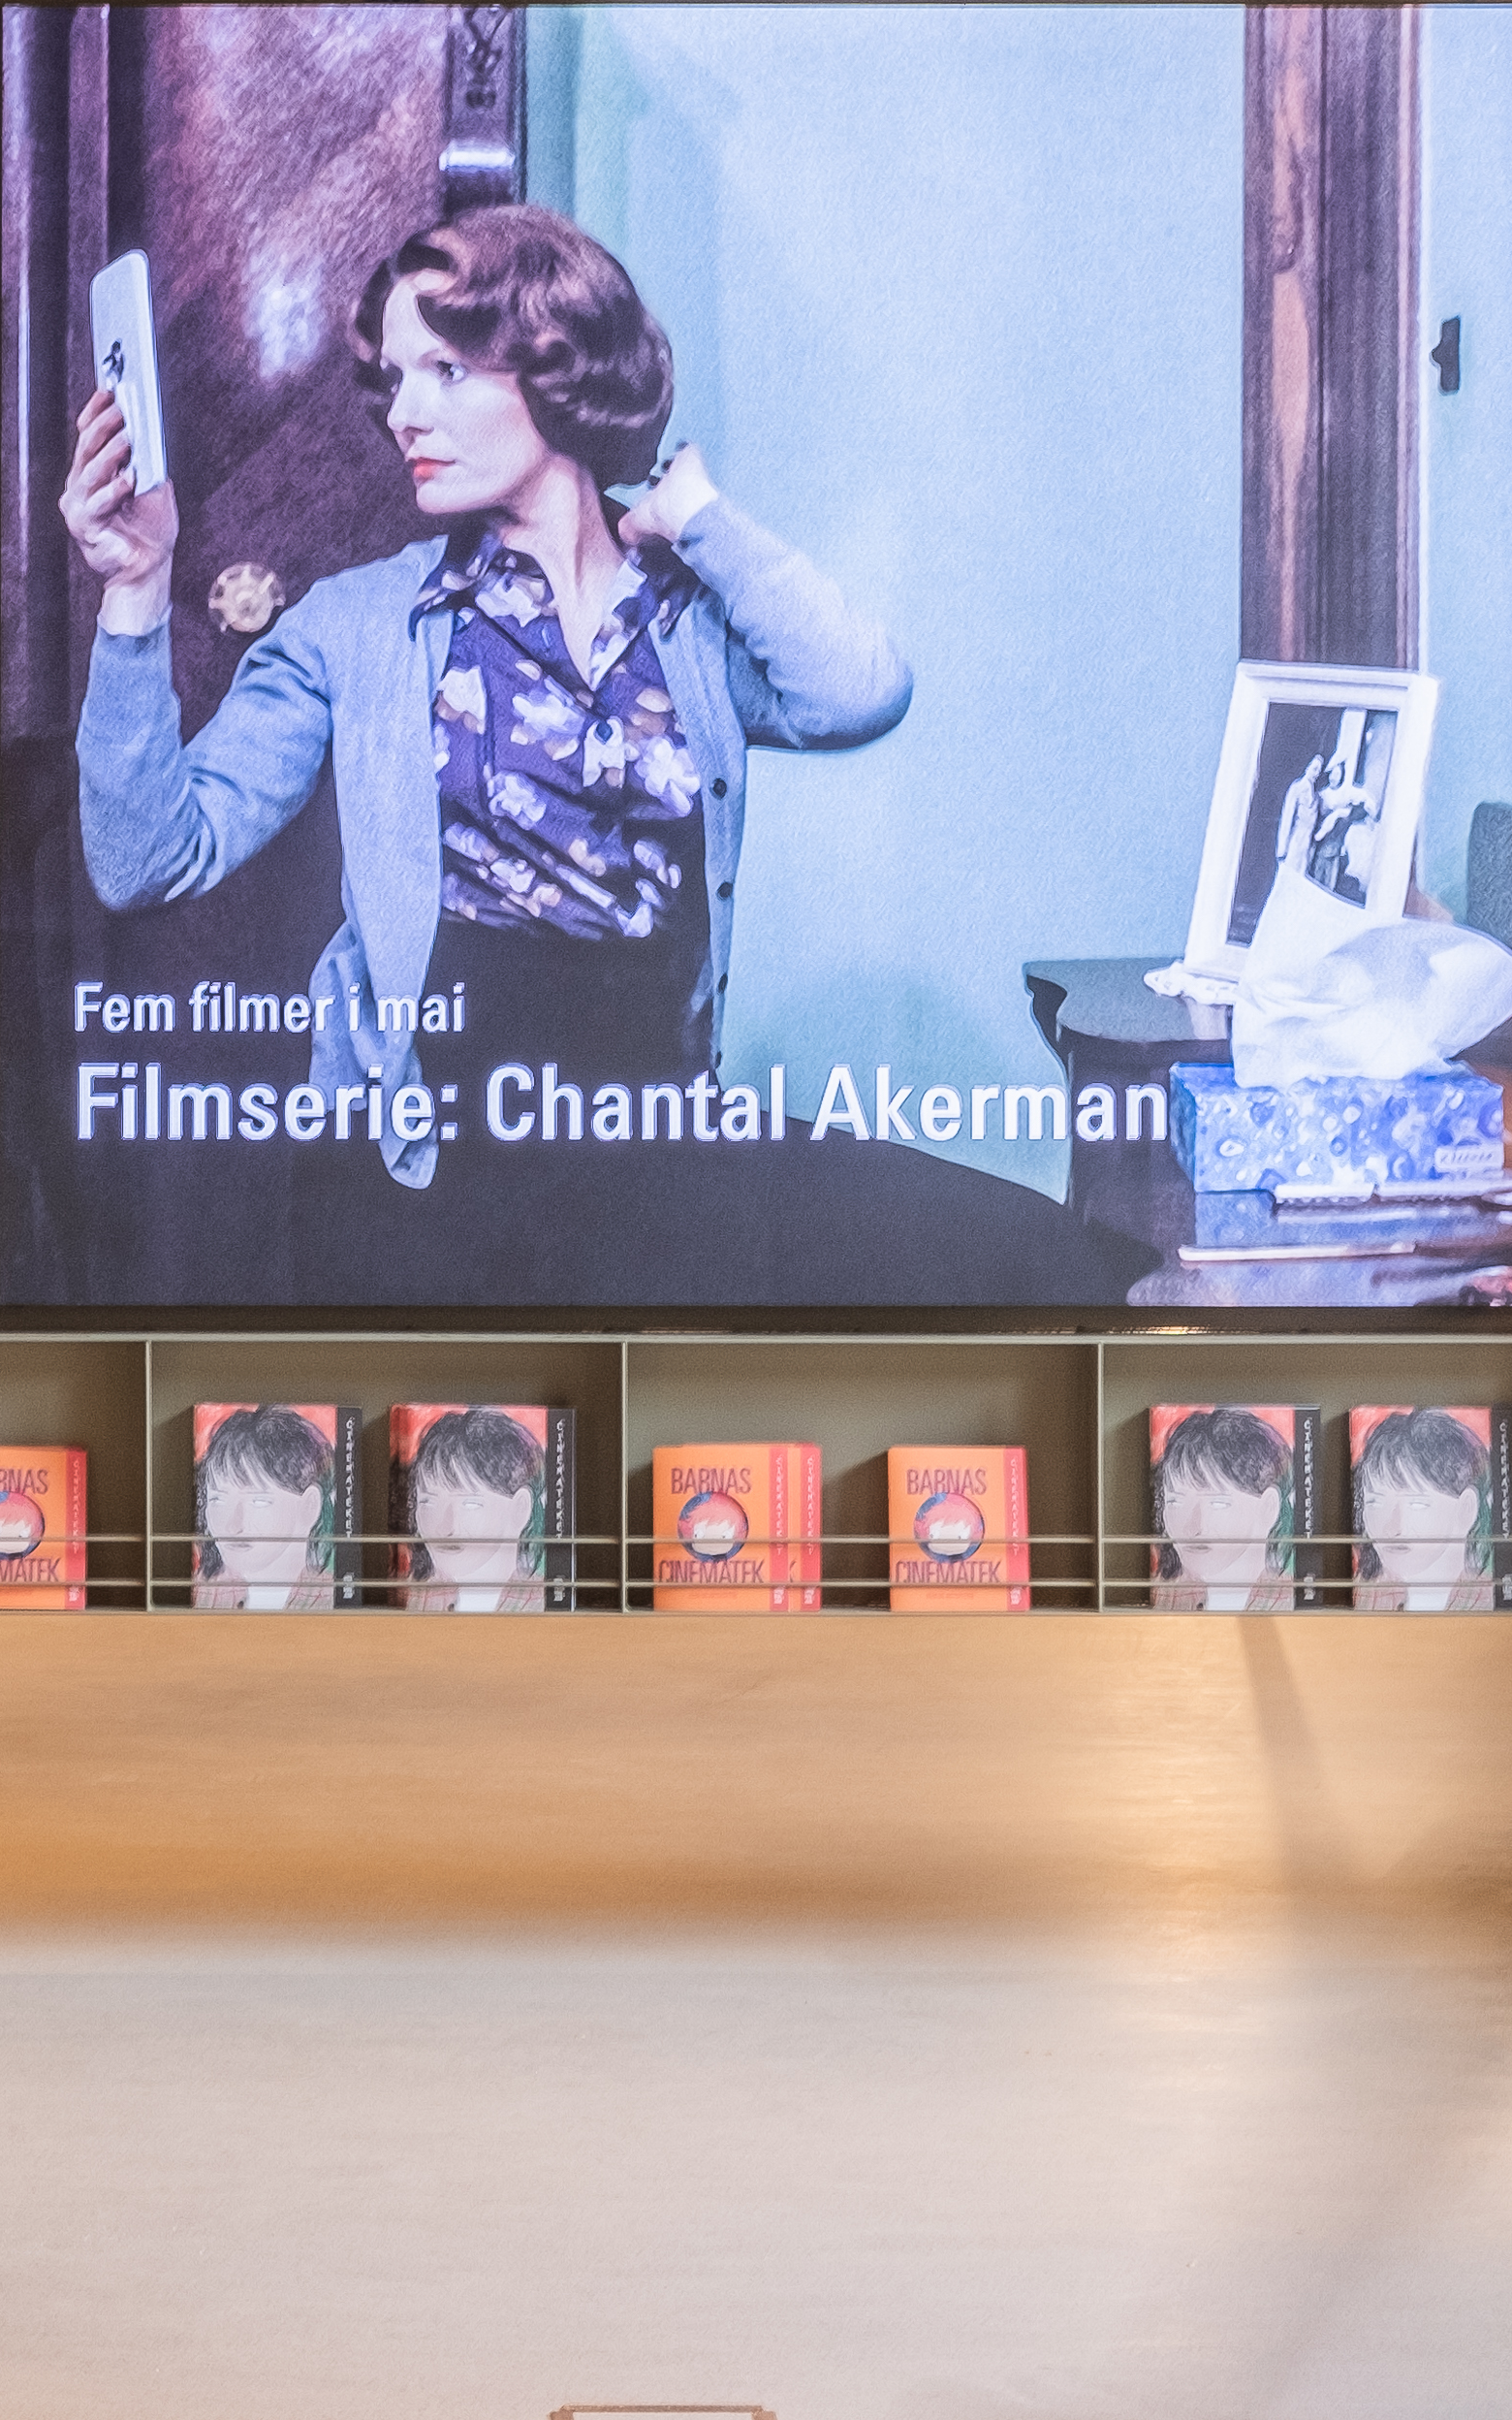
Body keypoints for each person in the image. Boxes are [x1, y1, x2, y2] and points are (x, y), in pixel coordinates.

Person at [61, 205, 907, 1283]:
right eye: (397, 379)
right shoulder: (354, 623)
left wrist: (698, 515)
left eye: (447, 371)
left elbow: (860, 690)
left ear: (559, 373)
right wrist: (135, 591)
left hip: (645, 1151)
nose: (404, 413)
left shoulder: (689, 622)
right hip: (418, 1177)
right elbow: (147, 857)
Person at [394, 1403, 551, 1612]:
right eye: (428, 1502)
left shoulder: (540, 1600)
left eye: (470, 1504)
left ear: (520, 1509)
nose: (446, 1527)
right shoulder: (418, 1595)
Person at [1348, 1404, 1503, 1613]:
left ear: (1466, 1510)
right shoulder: (1369, 1596)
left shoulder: (1488, 1599)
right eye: (1375, 1503)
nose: (1395, 1527)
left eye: (1417, 1504)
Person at [1147, 1403, 1299, 1612]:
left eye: (1218, 1503)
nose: (1196, 1526)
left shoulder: (1290, 1596)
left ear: (1268, 1508)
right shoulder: (1165, 1593)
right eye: (1176, 1502)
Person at [190, 1401, 341, 1609]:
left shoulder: (330, 1596)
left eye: (259, 1501)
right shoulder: (206, 1590)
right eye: (218, 1500)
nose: (234, 1525)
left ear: (309, 1506)